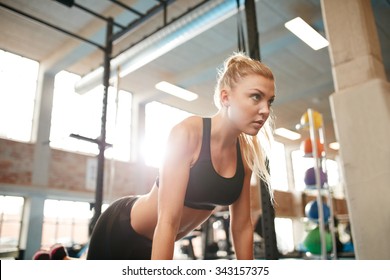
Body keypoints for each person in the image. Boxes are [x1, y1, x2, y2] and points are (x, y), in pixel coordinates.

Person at [86, 52, 276, 260]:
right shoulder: (187, 134)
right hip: (120, 231)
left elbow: (242, 227)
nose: (265, 110)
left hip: (156, 243)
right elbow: (167, 222)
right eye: (256, 97)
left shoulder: (245, 155)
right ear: (225, 97)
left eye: (270, 101)